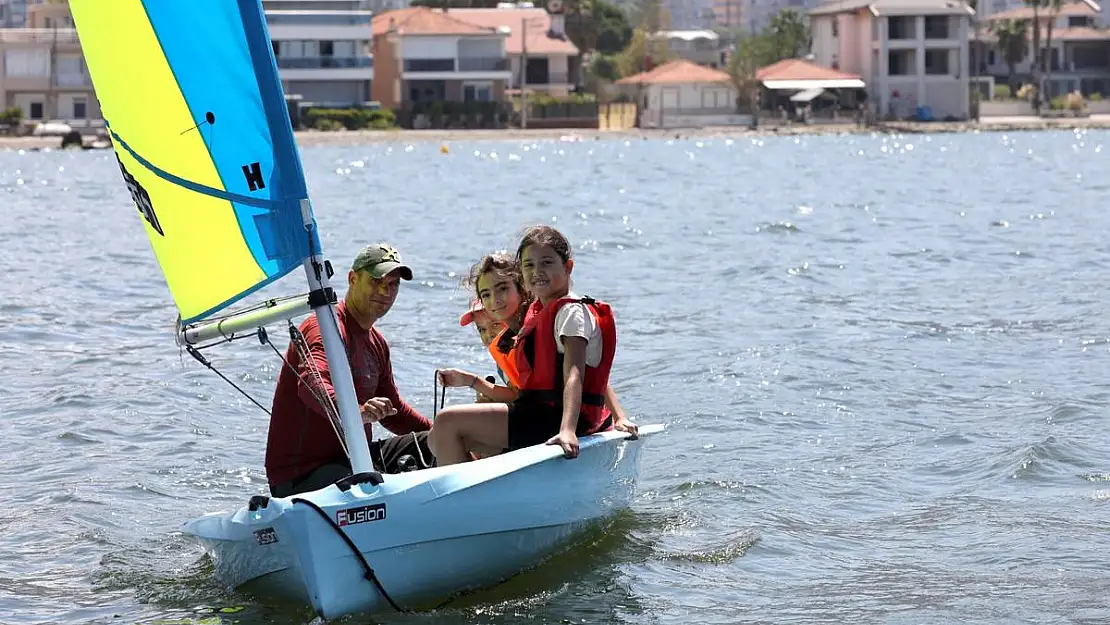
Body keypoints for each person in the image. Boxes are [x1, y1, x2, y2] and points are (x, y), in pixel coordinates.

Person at [428, 227, 638, 466]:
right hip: (540, 414)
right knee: (439, 437)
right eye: (529, 265)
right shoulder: (539, 312)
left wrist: (568, 430)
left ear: (568, 267)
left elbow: (576, 374)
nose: (537, 272)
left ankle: (463, 502)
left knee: (447, 423)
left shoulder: (570, 312)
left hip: (555, 419)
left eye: (546, 263)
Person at [265, 243, 434, 498]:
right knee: (376, 483)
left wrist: (441, 431)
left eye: (393, 284)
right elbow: (312, 384)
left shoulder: (377, 343)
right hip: (303, 478)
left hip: (354, 460)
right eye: (376, 280)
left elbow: (394, 412)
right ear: (353, 279)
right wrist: (358, 413)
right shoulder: (323, 327)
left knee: (436, 443)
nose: (385, 291)